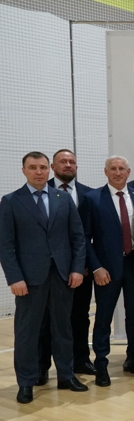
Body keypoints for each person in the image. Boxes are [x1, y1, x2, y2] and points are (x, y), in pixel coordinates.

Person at [0, 151, 88, 404]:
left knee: (63, 328)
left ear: (49, 169)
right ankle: (26, 382)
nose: (38, 172)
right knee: (27, 332)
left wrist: (76, 268)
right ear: (24, 170)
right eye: (32, 167)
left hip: (62, 275)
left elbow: (78, 237)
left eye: (42, 167)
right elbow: (5, 245)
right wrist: (14, 278)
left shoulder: (63, 198)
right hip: (28, 279)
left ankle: (66, 375)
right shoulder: (11, 201)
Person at [78, 156, 134, 387]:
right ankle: (101, 364)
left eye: (122, 169)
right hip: (106, 269)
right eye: (113, 169)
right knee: (103, 318)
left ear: (130, 172)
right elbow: (84, 237)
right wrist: (96, 267)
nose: (118, 172)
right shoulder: (92, 198)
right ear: (106, 172)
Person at [38, 149, 95, 378]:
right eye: (63, 162)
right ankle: (42, 367)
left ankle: (81, 360)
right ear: (53, 167)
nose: (68, 165)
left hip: (81, 269)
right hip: (48, 270)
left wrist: (84, 264)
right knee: (45, 320)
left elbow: (88, 235)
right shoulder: (41, 192)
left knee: (80, 316)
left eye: (72, 162)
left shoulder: (89, 195)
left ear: (77, 166)